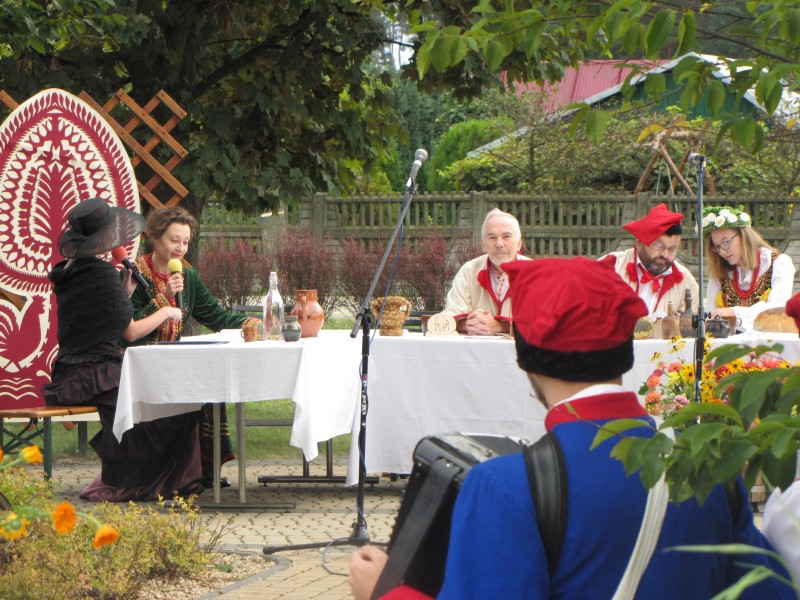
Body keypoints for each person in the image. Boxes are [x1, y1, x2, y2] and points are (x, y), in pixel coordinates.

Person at [349, 256, 794, 599]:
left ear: (524, 357)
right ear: (626, 351)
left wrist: (387, 593)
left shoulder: (506, 486)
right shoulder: (708, 467)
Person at [42, 198, 203, 502]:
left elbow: (98, 322)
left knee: (163, 397)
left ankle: (158, 478)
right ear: (104, 236)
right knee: (175, 400)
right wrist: (166, 311)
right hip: (97, 376)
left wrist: (124, 294)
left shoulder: (68, 271)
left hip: (69, 375)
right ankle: (147, 481)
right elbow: (130, 332)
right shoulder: (102, 273)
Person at [124, 205, 260, 488]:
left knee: (210, 383)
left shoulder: (189, 276)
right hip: (141, 362)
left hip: (173, 360)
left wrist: (253, 322)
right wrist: (164, 297)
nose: (181, 248)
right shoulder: (135, 273)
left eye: (186, 242)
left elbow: (216, 317)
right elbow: (128, 327)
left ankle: (203, 469)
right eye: (174, 240)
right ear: (155, 238)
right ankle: (169, 471)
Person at [703, 205, 796, 332]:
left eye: (726, 242)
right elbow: (711, 314)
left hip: (768, 342)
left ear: (744, 235)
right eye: (717, 247)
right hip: (727, 343)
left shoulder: (779, 264)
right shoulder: (720, 271)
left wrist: (735, 313)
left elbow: (777, 309)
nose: (722, 251)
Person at [442, 208, 531, 334]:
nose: (499, 244)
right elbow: (450, 316)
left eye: (506, 236)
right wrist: (468, 325)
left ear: (519, 244)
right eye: (492, 237)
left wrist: (501, 326)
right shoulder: (469, 271)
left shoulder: (537, 274)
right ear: (483, 245)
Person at [602, 203, 699, 317]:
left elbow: (691, 323)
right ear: (639, 243)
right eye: (658, 246)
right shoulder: (611, 266)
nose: (665, 254)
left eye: (672, 249)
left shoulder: (686, 281)